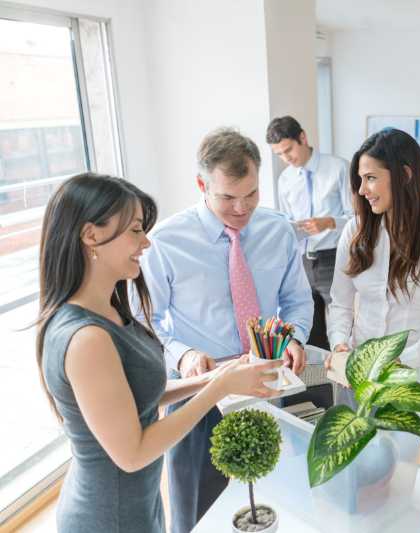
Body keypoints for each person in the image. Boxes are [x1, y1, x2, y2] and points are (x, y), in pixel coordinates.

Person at [38, 173, 281, 533]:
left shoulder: (109, 310)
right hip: (109, 518)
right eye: (135, 230)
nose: (146, 242)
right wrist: (219, 388)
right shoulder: (86, 339)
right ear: (91, 235)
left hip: (138, 503)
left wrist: (210, 379)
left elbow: (136, 398)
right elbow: (132, 453)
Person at [134, 128, 312, 533]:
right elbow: (144, 324)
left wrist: (296, 336)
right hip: (195, 395)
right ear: (202, 184)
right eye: (228, 197)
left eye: (250, 195)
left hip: (265, 386)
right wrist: (182, 353)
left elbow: (298, 300)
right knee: (196, 512)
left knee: (274, 501)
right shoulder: (164, 242)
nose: (241, 208)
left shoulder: (278, 230)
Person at [326, 128, 420, 433]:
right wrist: (340, 345)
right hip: (357, 380)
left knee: (398, 475)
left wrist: (393, 363)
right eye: (360, 179)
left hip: (413, 382)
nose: (362, 189)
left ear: (404, 175)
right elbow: (340, 301)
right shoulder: (355, 232)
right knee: (359, 474)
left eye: (371, 178)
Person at [268, 116, 353, 350]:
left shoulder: (338, 168)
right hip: (302, 262)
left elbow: (358, 219)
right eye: (279, 155)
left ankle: (351, 381)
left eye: (288, 150)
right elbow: (286, 223)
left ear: (303, 138)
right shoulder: (285, 180)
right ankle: (319, 385)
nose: (286, 159)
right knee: (309, 332)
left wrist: (329, 222)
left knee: (344, 327)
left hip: (334, 258)